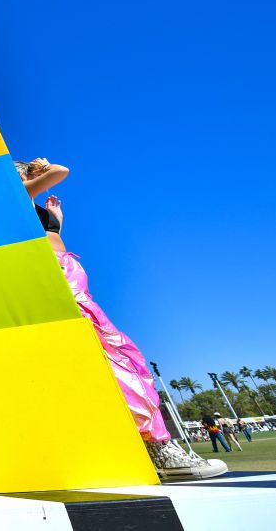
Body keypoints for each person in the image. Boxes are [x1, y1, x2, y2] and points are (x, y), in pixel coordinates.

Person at [17, 158, 227, 479]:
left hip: (69, 272)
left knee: (122, 355)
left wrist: (55, 220)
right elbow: (62, 172)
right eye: (26, 174)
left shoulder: (36, 207)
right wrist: (42, 167)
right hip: (52, 275)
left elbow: (52, 236)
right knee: (115, 356)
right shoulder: (13, 197)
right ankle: (157, 445)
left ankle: (153, 446)